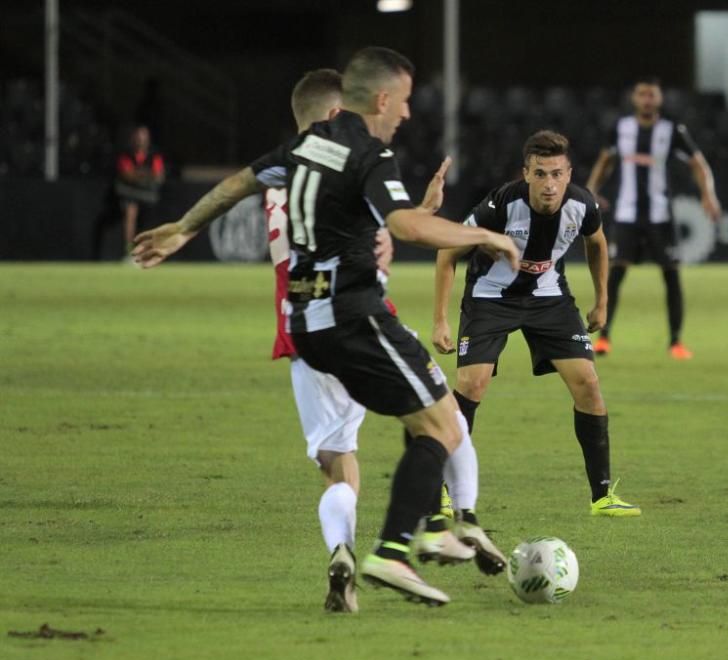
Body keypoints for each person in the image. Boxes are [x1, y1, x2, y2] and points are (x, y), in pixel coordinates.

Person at [133, 47, 519, 608]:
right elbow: (404, 225)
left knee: (421, 419)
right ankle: (401, 546)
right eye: (405, 101)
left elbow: (239, 182)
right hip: (355, 314)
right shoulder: (367, 153)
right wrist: (481, 236)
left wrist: (183, 229)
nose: (408, 113)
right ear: (382, 98)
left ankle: (429, 531)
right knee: (445, 426)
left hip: (304, 325)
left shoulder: (302, 147)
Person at [432, 130, 641, 518]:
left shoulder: (583, 204)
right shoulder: (499, 205)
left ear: (569, 174)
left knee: (589, 384)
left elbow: (596, 244)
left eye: (557, 174)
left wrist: (602, 301)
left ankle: (601, 496)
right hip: (491, 297)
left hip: (548, 298)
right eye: (541, 173)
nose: (550, 184)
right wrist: (441, 319)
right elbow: (448, 251)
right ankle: (443, 490)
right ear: (526, 174)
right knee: (471, 384)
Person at [585, 77, 722, 359]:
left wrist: (708, 195)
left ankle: (676, 342)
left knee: (671, 275)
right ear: (634, 98)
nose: (647, 99)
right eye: (642, 94)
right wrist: (591, 191)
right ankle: (604, 338)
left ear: (659, 99)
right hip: (627, 214)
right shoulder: (621, 129)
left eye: (652, 95)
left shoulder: (672, 131)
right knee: (615, 274)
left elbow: (699, 164)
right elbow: (605, 161)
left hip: (660, 215)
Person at [115, 125, 165, 257]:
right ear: (133, 139)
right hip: (130, 193)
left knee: (150, 222)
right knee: (130, 213)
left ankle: (147, 252)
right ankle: (129, 252)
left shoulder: (154, 155)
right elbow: (127, 175)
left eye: (144, 137)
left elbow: (158, 176)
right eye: (138, 137)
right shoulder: (126, 154)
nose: (141, 140)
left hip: (148, 195)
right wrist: (146, 174)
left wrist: (139, 174)